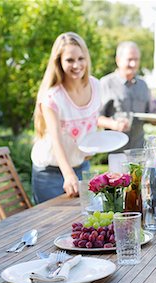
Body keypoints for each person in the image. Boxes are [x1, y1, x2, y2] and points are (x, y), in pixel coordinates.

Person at [31, 32, 101, 204]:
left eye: (81, 58)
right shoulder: (52, 97)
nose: (76, 65)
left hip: (81, 167)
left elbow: (90, 120)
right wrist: (68, 174)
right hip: (50, 173)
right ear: (59, 62)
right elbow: (56, 140)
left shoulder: (96, 85)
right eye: (69, 60)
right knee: (52, 227)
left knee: (85, 221)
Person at [98, 41, 156, 151]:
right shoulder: (106, 83)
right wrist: (114, 124)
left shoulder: (143, 85)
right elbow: (96, 118)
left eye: (136, 59)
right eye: (130, 59)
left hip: (139, 149)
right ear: (118, 60)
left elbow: (150, 113)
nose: (133, 64)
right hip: (116, 149)